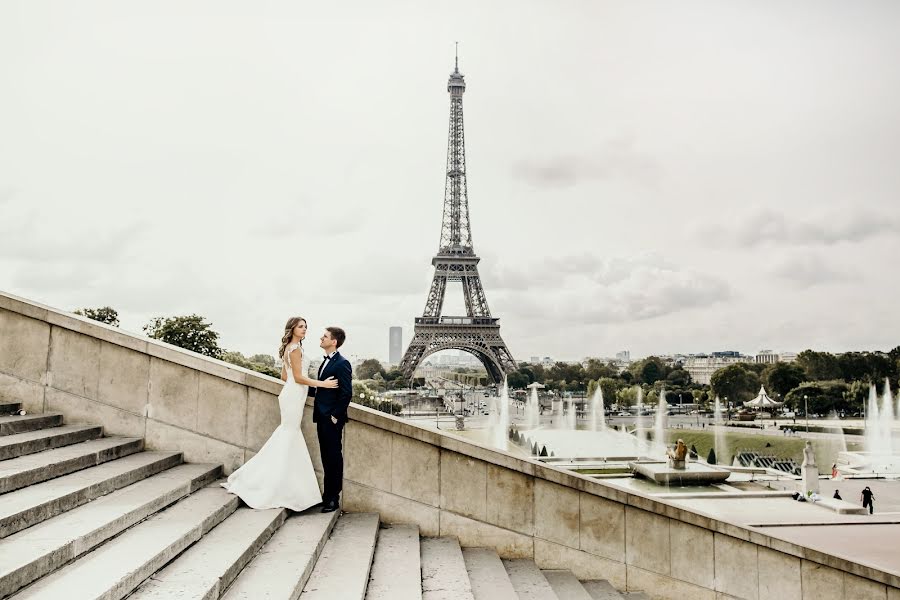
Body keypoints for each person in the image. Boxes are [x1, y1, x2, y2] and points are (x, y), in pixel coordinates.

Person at [221, 317, 339, 511]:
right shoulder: (296, 349)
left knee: (287, 434)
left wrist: (296, 385)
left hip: (291, 393)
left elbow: (286, 376)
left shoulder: (289, 348)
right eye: (301, 326)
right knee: (289, 434)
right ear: (292, 328)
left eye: (305, 327)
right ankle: (282, 485)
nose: (305, 329)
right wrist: (323, 384)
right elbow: (299, 377)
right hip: (294, 395)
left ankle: (276, 481)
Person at [308, 327, 353, 513]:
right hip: (322, 417)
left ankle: (333, 498)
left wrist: (335, 415)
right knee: (326, 458)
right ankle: (328, 496)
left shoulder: (342, 363)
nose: (321, 337)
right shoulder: (326, 362)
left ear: (333, 341)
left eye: (324, 336)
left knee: (333, 458)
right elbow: (323, 389)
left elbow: (346, 393)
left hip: (331, 419)